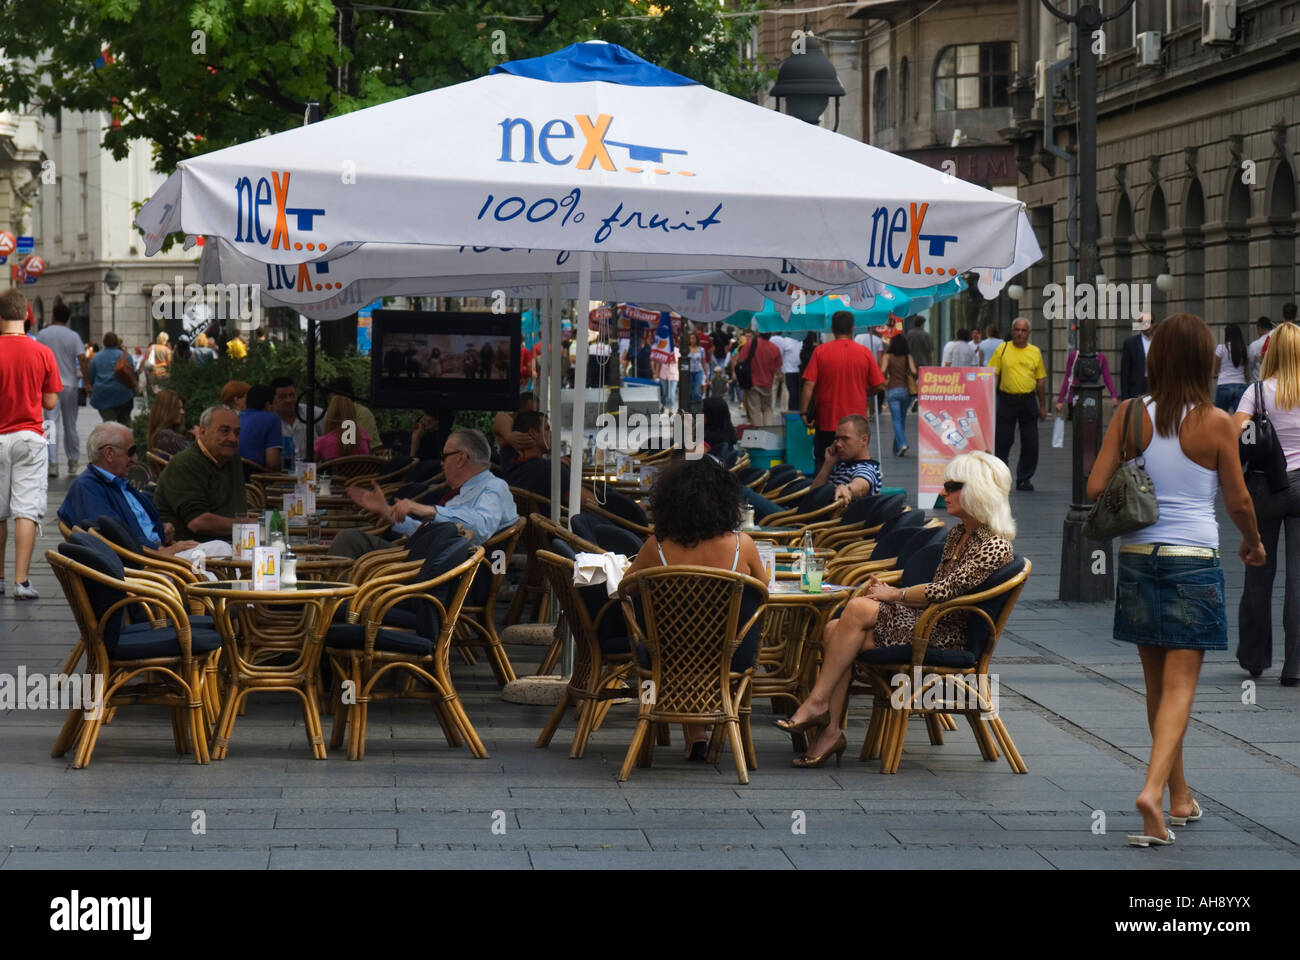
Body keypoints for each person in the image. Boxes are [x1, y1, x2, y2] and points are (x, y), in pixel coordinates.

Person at [1087, 313, 1266, 846]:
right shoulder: (1217, 421)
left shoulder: (1128, 413)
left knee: (1158, 688)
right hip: (1193, 558)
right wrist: (1253, 543)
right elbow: (1237, 499)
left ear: (1156, 359)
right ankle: (1150, 793)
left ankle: (1179, 794)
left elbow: (1097, 484)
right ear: (1203, 362)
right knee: (1181, 688)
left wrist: (1132, 458)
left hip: (1139, 556)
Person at [780, 451, 1016, 767]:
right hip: (926, 621)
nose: (943, 492)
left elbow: (942, 592)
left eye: (951, 486)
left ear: (978, 490)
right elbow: (936, 591)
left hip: (945, 633)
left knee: (859, 609)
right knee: (835, 630)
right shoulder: (959, 533)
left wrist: (893, 594)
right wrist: (893, 595)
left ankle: (817, 704)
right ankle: (832, 729)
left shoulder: (995, 545)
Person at [623, 455, 768, 759]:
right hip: (731, 655)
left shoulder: (656, 547)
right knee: (709, 633)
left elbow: (625, 589)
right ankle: (705, 728)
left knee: (685, 632)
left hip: (667, 655)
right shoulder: (744, 545)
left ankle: (696, 732)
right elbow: (763, 593)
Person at [1233, 321, 1300, 683]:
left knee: (1259, 572)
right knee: (1298, 578)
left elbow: (1233, 432)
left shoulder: (1257, 392)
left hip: (1266, 489)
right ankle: (1296, 666)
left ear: (1270, 352)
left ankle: (1255, 659)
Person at [333, 429, 517, 557]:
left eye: (445, 457)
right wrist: (386, 511)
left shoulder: (494, 487)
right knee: (350, 541)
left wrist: (429, 510)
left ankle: (337, 608)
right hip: (425, 563)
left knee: (349, 540)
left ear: (461, 458)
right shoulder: (463, 493)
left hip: (437, 575)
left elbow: (481, 528)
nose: (442, 464)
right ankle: (340, 608)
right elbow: (429, 533)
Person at [0, 289, 61, 600]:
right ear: (26, 315)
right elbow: (50, 400)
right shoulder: (42, 353)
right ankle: (21, 582)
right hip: (29, 436)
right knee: (25, 511)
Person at [58, 423, 198, 556]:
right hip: (148, 567)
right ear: (109, 454)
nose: (135, 459)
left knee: (217, 550)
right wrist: (159, 550)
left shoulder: (118, 483)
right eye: (131, 452)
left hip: (157, 557)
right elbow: (114, 537)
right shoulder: (88, 487)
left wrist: (160, 530)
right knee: (217, 551)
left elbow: (130, 526)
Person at [800, 311, 886, 465]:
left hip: (827, 420)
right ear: (853, 328)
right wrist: (866, 393)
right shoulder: (864, 352)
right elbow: (879, 384)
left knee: (823, 461)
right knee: (855, 465)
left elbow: (809, 385)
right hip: (856, 423)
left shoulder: (820, 351)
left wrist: (804, 412)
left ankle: (823, 489)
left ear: (832, 328)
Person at [153, 405, 248, 540]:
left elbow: (238, 513)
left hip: (231, 544)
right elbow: (198, 522)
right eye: (225, 431)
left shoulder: (233, 459)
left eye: (237, 433)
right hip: (191, 552)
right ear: (203, 432)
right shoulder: (185, 464)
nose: (232, 438)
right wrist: (248, 525)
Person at [987, 317, 1047, 491]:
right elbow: (994, 375)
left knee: (1031, 442)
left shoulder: (1035, 352)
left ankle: (1024, 478)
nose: (1020, 333)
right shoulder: (1002, 349)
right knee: (1003, 441)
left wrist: (1042, 406)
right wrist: (989, 401)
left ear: (1029, 333)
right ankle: (1001, 477)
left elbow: (1040, 381)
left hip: (1028, 401)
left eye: (1023, 330)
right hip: (1007, 400)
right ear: (1012, 331)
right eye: (1017, 330)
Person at [35, 300, 85, 479]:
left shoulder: (42, 334)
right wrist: (86, 381)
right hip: (70, 384)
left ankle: (52, 463)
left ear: (53, 316)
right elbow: (82, 358)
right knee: (70, 424)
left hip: (49, 386)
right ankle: (73, 461)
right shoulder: (73, 336)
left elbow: (36, 358)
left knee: (50, 424)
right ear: (67, 318)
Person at [809, 415, 882, 504]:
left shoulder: (867, 468)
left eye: (845, 439)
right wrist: (828, 464)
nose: (838, 444)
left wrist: (847, 489)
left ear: (864, 440)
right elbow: (811, 498)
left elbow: (861, 485)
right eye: (837, 439)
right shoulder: (843, 465)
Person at [270, 376, 324, 466]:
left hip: (313, 472)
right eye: (282, 397)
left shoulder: (313, 412)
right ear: (273, 399)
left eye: (292, 395)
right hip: (281, 475)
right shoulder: (270, 420)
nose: (289, 400)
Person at [880, 334, 918, 456]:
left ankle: (902, 444)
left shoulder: (888, 356)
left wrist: (885, 382)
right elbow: (914, 371)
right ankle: (896, 448)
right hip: (906, 391)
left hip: (892, 390)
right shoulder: (908, 356)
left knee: (896, 419)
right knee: (901, 419)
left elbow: (882, 371)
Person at [87, 331, 135, 425]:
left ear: (104, 342)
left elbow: (91, 377)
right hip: (123, 395)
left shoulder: (96, 358)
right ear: (117, 342)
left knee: (109, 424)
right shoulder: (125, 356)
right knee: (125, 423)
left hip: (103, 395)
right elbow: (132, 373)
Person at [234, 384, 283, 471]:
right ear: (268, 405)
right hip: (256, 479)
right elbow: (273, 464)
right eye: (275, 403)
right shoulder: (272, 419)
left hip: (233, 476)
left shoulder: (235, 417)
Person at [1057, 347, 1118, 413]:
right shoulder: (1073, 356)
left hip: (1091, 397)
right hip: (1076, 397)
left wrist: (1113, 395)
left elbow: (1107, 377)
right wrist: (1060, 400)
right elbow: (1068, 378)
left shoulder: (1101, 358)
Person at [325, 376, 380, 446]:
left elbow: (361, 444)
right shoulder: (333, 415)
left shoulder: (363, 413)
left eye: (333, 400)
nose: (331, 404)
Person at [742, 332, 781, 426]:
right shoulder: (774, 348)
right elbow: (777, 368)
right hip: (767, 383)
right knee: (768, 409)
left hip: (752, 382)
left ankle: (758, 435)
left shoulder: (750, 344)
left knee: (755, 410)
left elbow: (741, 359)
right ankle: (768, 432)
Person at [315, 395, 371, 460]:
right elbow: (370, 455)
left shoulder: (323, 442)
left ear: (331, 414)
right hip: (362, 470)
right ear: (352, 413)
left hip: (334, 470)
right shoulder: (363, 434)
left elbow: (310, 466)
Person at [1120, 312, 1159, 399]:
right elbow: (1125, 373)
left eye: (1150, 322)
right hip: (1137, 389)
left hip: (1156, 386)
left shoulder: (1160, 342)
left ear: (1154, 324)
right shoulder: (1130, 343)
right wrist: (1125, 398)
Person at [1214, 323, 1249, 413]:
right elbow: (1246, 370)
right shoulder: (1244, 349)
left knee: (1220, 418)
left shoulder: (1220, 348)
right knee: (1240, 420)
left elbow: (1216, 370)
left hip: (1223, 384)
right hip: (1240, 385)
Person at [147, 389, 190, 456]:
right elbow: (194, 459)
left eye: (182, 408)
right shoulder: (166, 435)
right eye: (178, 408)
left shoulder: (163, 435)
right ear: (166, 411)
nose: (182, 412)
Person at [768, 334, 803, 413]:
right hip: (785, 370)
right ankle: (772, 409)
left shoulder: (801, 342)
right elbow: (779, 355)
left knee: (785, 392)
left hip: (792, 371)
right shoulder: (785, 341)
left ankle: (784, 411)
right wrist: (779, 369)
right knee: (777, 389)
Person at [702, 397, 738, 463]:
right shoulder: (728, 432)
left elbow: (691, 457)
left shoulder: (712, 437)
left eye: (702, 411)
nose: (699, 413)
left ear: (711, 415)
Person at [655, 340, 680, 414]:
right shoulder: (662, 351)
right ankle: (663, 405)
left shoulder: (677, 350)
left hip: (673, 374)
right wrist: (656, 372)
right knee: (665, 393)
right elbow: (658, 362)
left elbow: (678, 362)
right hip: (663, 374)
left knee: (672, 393)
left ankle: (671, 409)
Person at [1247, 316, 1274, 383]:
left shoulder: (1255, 345)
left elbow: (1250, 364)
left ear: (1259, 328)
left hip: (1258, 380)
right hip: (1275, 381)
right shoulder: (1278, 339)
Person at [686, 332, 707, 408]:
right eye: (691, 338)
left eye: (693, 338)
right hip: (689, 373)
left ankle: (697, 408)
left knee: (696, 391)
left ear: (697, 339)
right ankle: (692, 408)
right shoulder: (686, 349)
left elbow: (703, 362)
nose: (692, 340)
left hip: (698, 372)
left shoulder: (701, 349)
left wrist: (706, 375)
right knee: (690, 391)